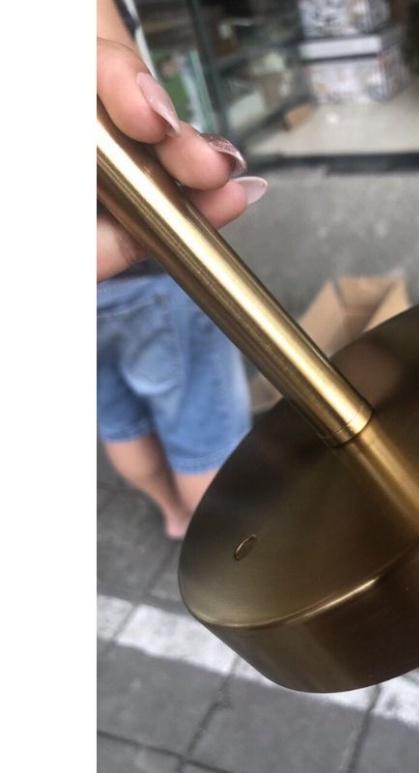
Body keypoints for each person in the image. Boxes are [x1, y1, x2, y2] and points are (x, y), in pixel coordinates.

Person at [97, 0, 266, 538]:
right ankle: (223, 546)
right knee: (203, 433)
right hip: (147, 268)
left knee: (117, 416)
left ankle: (174, 515)